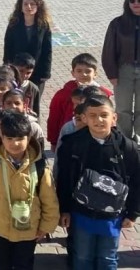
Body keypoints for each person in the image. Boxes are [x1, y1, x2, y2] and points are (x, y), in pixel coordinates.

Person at [56, 94, 140, 270]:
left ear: (114, 118)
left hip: (112, 217)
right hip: (81, 213)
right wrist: (64, 209)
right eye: (92, 115)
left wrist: (133, 213)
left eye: (104, 115)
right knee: (82, 256)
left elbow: (137, 181)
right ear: (84, 118)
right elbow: (64, 179)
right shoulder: (71, 145)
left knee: (107, 257)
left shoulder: (128, 148)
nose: (99, 120)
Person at [0, 110, 58, 270]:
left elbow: (49, 198)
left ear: (29, 138)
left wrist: (47, 226)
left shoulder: (39, 164)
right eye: (9, 138)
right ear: (2, 138)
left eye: (20, 139)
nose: (15, 143)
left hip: (29, 230)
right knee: (1, 264)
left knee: (24, 265)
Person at [46, 53, 113, 150]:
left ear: (95, 74)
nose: (83, 74)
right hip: (70, 134)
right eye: (79, 71)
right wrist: (53, 140)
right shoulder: (63, 94)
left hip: (97, 136)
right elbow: (54, 117)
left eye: (88, 71)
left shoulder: (103, 95)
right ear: (73, 73)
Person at [3, 0, 53, 112]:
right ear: (21, 7)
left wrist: (45, 73)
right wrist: (7, 68)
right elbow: (8, 47)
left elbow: (47, 50)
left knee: (32, 103)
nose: (29, 7)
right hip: (17, 70)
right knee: (15, 100)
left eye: (32, 4)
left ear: (38, 7)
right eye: (25, 4)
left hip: (37, 72)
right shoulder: (14, 24)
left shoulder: (43, 26)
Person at [102, 0, 140, 142]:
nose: (136, 3)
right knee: (123, 109)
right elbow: (108, 50)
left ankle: (138, 138)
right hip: (124, 70)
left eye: (139, 0)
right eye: (132, 0)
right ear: (127, 3)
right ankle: (124, 139)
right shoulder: (117, 24)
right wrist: (112, 74)